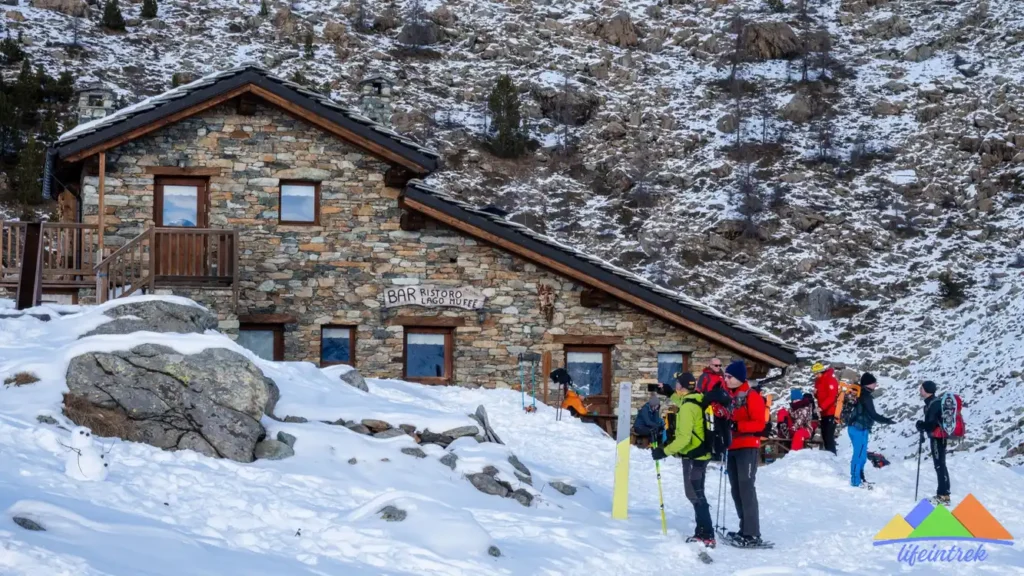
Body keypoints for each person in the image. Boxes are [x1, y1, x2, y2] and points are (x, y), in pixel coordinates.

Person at [651, 372, 716, 547]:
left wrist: (664, 451)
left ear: (681, 386)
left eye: (677, 384)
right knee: (694, 493)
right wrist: (669, 392)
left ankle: (707, 533)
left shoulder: (688, 407)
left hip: (694, 455)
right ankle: (702, 531)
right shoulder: (696, 399)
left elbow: (683, 438)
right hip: (698, 453)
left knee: (696, 494)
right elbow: (681, 401)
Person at [723, 360, 767, 547]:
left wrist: (737, 425)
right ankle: (744, 529)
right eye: (725, 376)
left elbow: (760, 423)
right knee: (736, 489)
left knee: (746, 487)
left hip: (748, 446)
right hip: (733, 446)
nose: (726, 379)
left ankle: (752, 533)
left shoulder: (752, 396)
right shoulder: (730, 396)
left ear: (739, 378)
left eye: (729, 376)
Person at [847, 373, 894, 488]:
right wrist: (887, 420)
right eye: (874, 383)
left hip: (857, 428)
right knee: (858, 455)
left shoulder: (861, 394)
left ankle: (860, 478)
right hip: (859, 429)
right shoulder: (865, 396)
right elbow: (873, 414)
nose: (876, 385)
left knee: (862, 455)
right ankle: (855, 481)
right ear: (869, 384)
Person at [916, 381, 951, 505]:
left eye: (921, 388)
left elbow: (931, 424)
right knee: (941, 464)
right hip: (940, 436)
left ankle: (942, 495)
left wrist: (921, 425)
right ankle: (945, 494)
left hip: (937, 438)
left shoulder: (933, 404)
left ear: (926, 390)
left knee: (939, 465)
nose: (920, 390)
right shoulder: (935, 402)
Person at [697, 358, 730, 461]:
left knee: (722, 430)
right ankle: (709, 451)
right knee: (711, 430)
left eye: (720, 365)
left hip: (722, 407)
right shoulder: (705, 376)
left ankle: (721, 451)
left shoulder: (723, 376)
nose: (718, 367)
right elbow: (699, 391)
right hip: (709, 407)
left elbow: (727, 389)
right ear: (710, 365)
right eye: (716, 365)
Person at [812, 363, 839, 454]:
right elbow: (819, 396)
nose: (815, 375)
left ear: (821, 372)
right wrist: (815, 394)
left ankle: (832, 456)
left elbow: (832, 397)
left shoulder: (830, 379)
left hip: (831, 412)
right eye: (814, 374)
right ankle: (828, 455)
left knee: (829, 436)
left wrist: (821, 407)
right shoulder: (818, 381)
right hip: (824, 413)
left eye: (817, 373)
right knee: (824, 435)